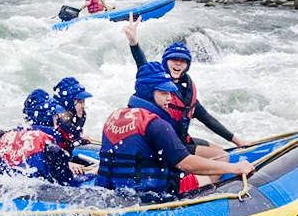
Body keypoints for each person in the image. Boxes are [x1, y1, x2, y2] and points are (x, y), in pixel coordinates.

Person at [96, 62, 253, 196]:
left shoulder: (114, 116)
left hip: (113, 191)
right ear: (147, 93)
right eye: (164, 93)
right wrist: (235, 168)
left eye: (170, 92)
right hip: (151, 195)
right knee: (213, 174)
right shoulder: (156, 124)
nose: (170, 98)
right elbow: (187, 164)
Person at [123, 15, 248, 162]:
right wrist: (134, 43)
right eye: (174, 60)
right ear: (165, 62)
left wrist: (238, 142)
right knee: (220, 157)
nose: (178, 64)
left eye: (183, 61)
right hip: (163, 146)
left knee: (219, 150)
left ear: (187, 66)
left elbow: (207, 119)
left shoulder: (187, 91)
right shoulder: (154, 85)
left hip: (181, 141)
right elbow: (142, 65)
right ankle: (202, 183)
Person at [0, 89, 88, 185]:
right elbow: (68, 183)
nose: (57, 118)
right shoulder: (50, 147)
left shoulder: (10, 135)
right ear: (47, 118)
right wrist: (92, 173)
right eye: (55, 115)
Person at [52, 76, 93, 152]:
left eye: (84, 101)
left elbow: (75, 135)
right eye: (80, 102)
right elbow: (68, 142)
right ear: (69, 102)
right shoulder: (59, 117)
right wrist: (79, 140)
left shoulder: (75, 114)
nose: (83, 106)